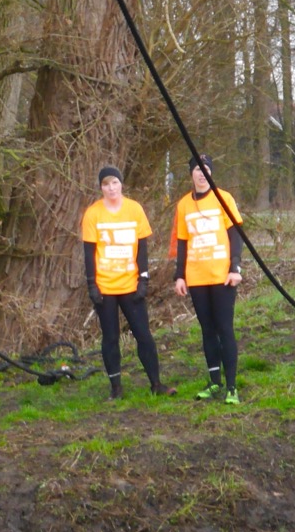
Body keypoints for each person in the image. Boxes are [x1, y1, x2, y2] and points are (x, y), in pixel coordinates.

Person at [81, 166, 173, 398]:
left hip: (131, 285)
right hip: (105, 287)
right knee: (110, 337)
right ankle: (116, 388)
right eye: (106, 184)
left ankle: (156, 384)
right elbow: (89, 253)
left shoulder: (134, 209)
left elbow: (142, 248)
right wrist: (92, 284)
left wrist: (144, 279)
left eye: (115, 183)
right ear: (101, 187)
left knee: (143, 334)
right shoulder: (93, 214)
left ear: (121, 184)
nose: (111, 188)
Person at [173, 155, 244, 405]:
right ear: (191, 174)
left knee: (224, 328)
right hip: (196, 277)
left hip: (222, 276)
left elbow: (235, 235)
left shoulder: (224, 198)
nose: (202, 174)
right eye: (197, 170)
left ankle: (232, 386)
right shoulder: (184, 204)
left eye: (206, 169)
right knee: (207, 330)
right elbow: (182, 242)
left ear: (211, 173)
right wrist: (179, 275)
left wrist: (235, 267)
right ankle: (215, 382)